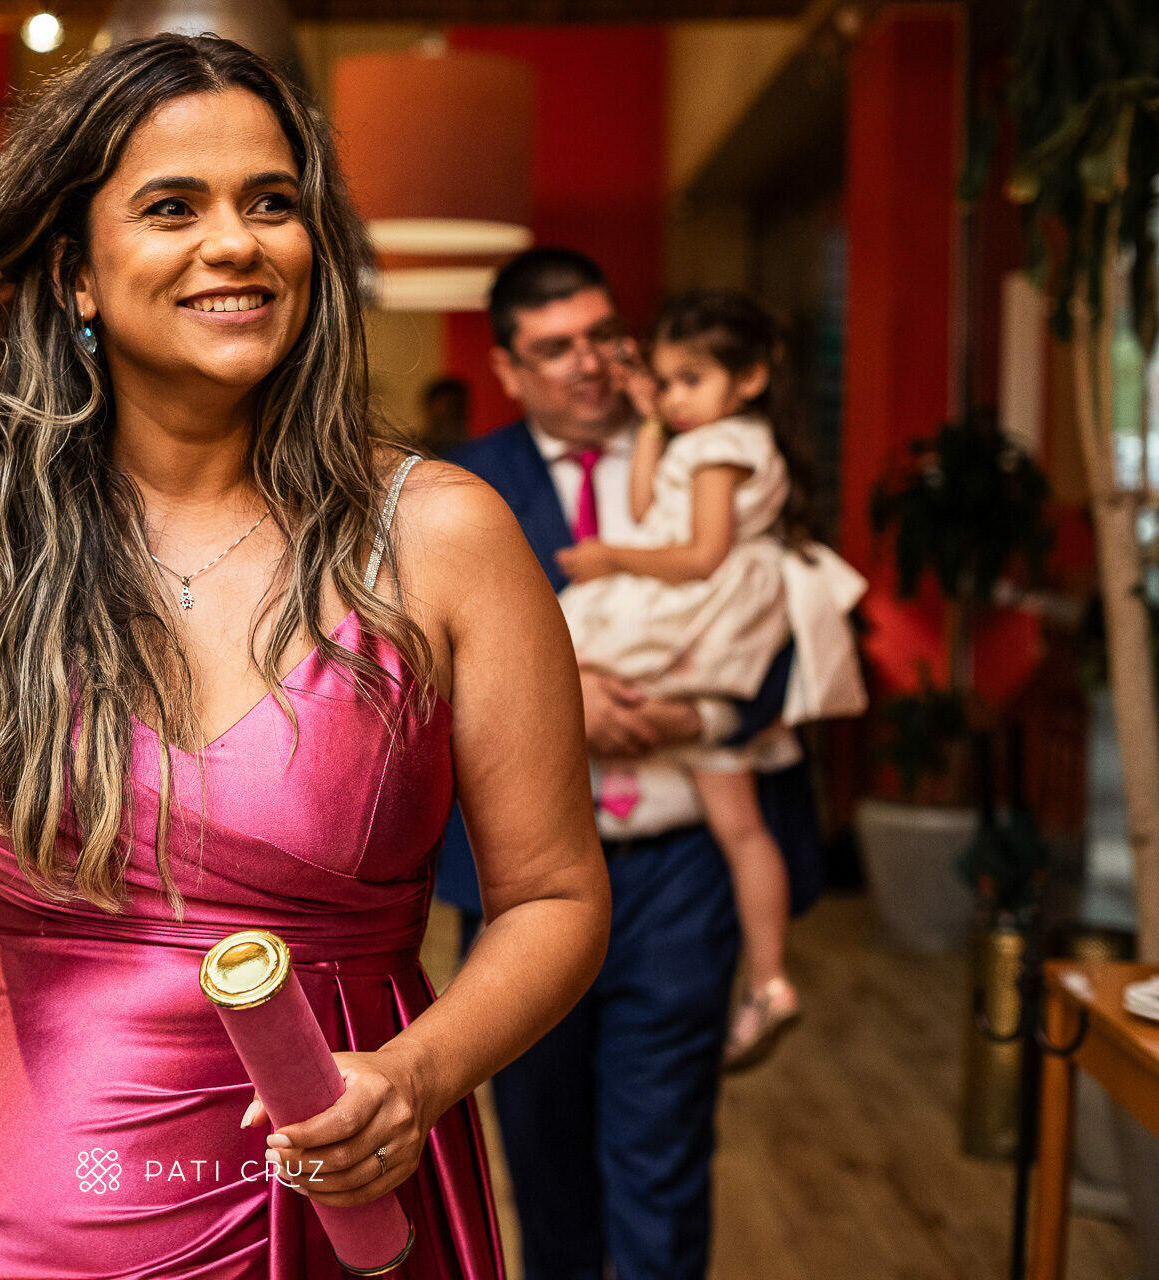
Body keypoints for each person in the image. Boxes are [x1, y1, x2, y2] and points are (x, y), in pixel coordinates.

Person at [0, 36, 610, 1279]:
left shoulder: (440, 534)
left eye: (270, 203)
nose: (236, 243)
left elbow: (555, 896)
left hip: (335, 1190)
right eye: (174, 206)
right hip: (13, 1215)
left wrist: (418, 1073)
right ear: (75, 271)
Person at [435, 248, 824, 1280]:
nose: (591, 363)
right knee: (543, 1155)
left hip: (679, 864)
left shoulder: (724, 450)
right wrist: (559, 699)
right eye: (556, 348)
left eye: (605, 336)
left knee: (662, 1156)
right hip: (518, 878)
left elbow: (799, 612)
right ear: (508, 367)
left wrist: (699, 710)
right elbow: (412, 669)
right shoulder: (456, 486)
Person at [554, 290, 866, 1069]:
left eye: (691, 379)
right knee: (742, 825)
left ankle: (767, 978)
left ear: (751, 377)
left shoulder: (723, 446)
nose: (676, 397)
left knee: (558, 657)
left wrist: (610, 559)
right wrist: (650, 422)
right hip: (710, 621)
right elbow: (643, 505)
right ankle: (769, 979)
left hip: (699, 613)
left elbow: (699, 555)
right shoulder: (707, 439)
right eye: (666, 381)